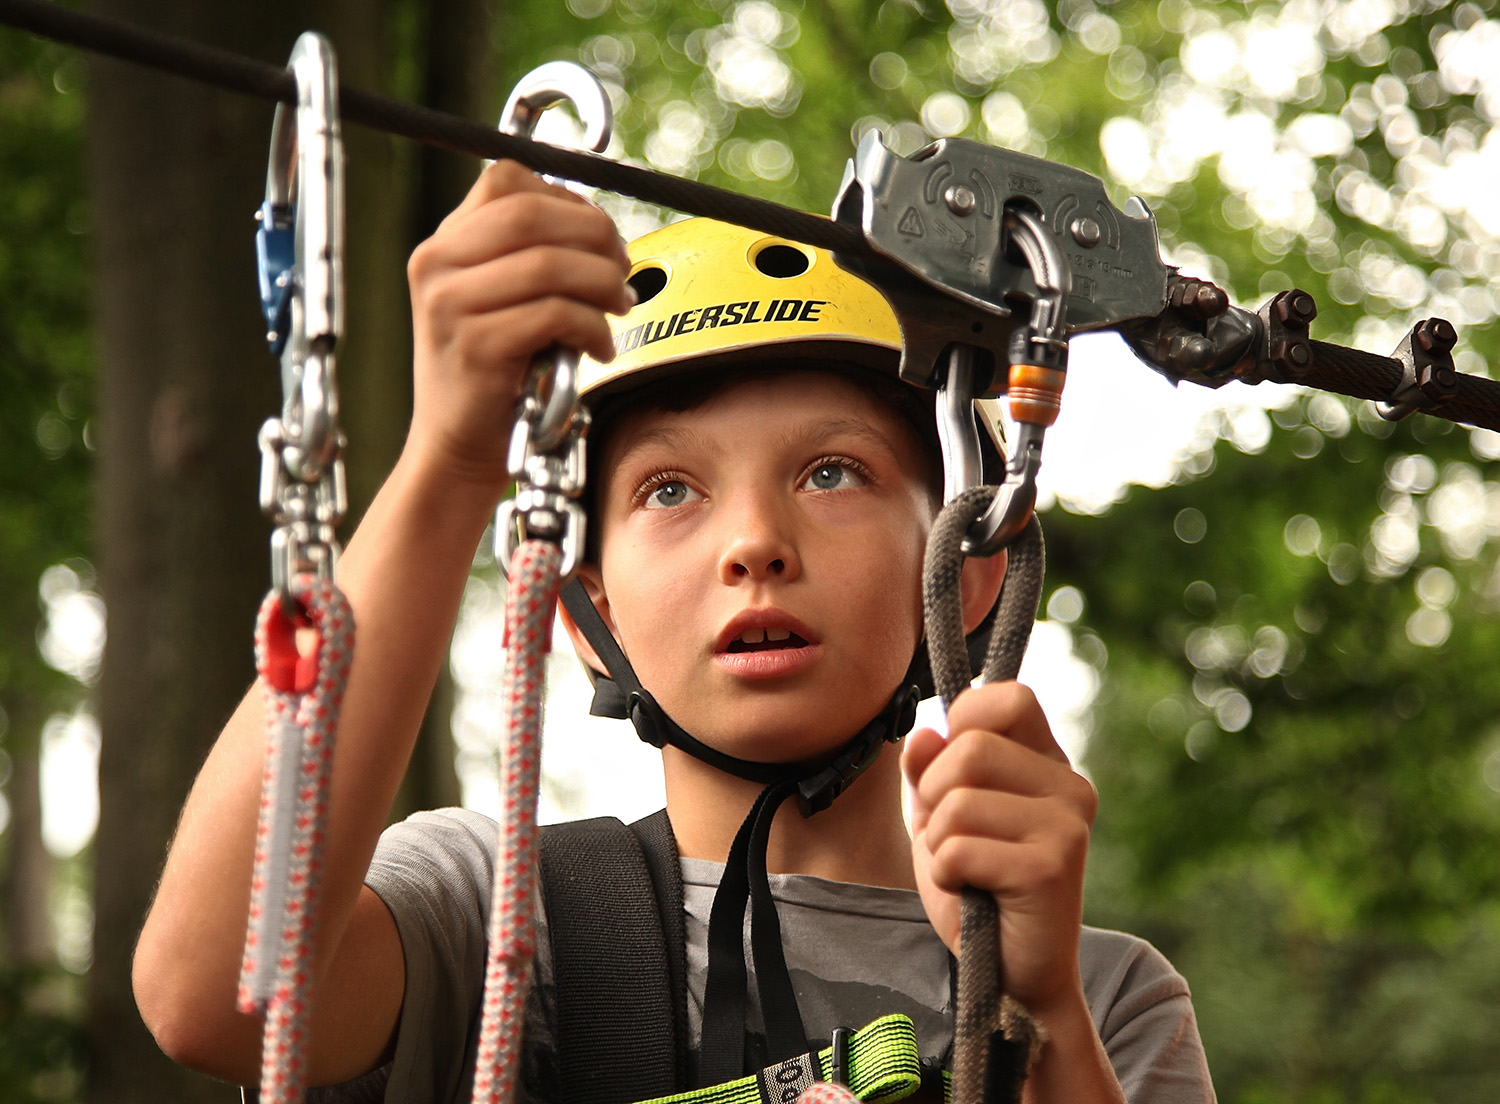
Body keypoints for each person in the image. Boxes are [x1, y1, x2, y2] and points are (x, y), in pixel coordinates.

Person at [132, 160, 1216, 1104]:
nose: (754, 541)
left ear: (964, 573)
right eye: (668, 491)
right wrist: (451, 457)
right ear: (587, 616)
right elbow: (218, 996)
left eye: (831, 472)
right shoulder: (498, 922)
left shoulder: (1110, 1003)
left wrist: (1044, 1024)